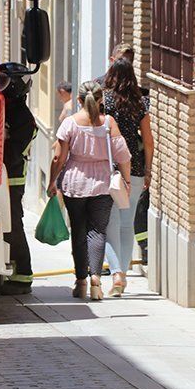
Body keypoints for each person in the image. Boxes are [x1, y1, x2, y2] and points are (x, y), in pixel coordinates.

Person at [48, 81, 132, 301]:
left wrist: (51, 181)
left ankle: (81, 281)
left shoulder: (70, 123)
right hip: (103, 183)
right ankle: (96, 279)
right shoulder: (109, 123)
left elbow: (59, 157)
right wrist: (127, 180)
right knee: (97, 231)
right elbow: (123, 156)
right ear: (101, 99)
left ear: (78, 100)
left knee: (79, 231)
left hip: (74, 183)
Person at [102, 58, 154, 296]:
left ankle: (117, 275)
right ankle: (121, 271)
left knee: (110, 224)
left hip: (110, 168)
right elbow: (149, 141)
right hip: (134, 168)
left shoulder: (106, 100)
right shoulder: (140, 102)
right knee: (127, 224)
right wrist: (149, 170)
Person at [0, 64, 36, 295]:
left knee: (13, 225)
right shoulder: (5, 109)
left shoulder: (23, 118)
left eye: (3, 82)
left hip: (11, 178)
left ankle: (23, 275)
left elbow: (14, 154)